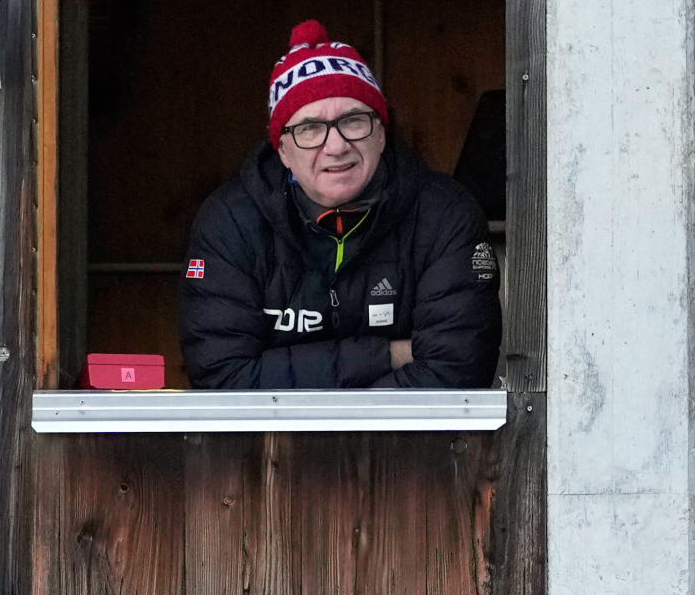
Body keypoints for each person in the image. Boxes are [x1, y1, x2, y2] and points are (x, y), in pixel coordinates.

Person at [181, 24, 495, 391]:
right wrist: (388, 355)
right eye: (310, 128)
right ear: (282, 150)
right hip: (266, 450)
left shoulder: (445, 216)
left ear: (381, 132)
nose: (336, 145)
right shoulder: (230, 223)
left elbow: (457, 372)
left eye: (353, 121)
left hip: (412, 449)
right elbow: (222, 379)